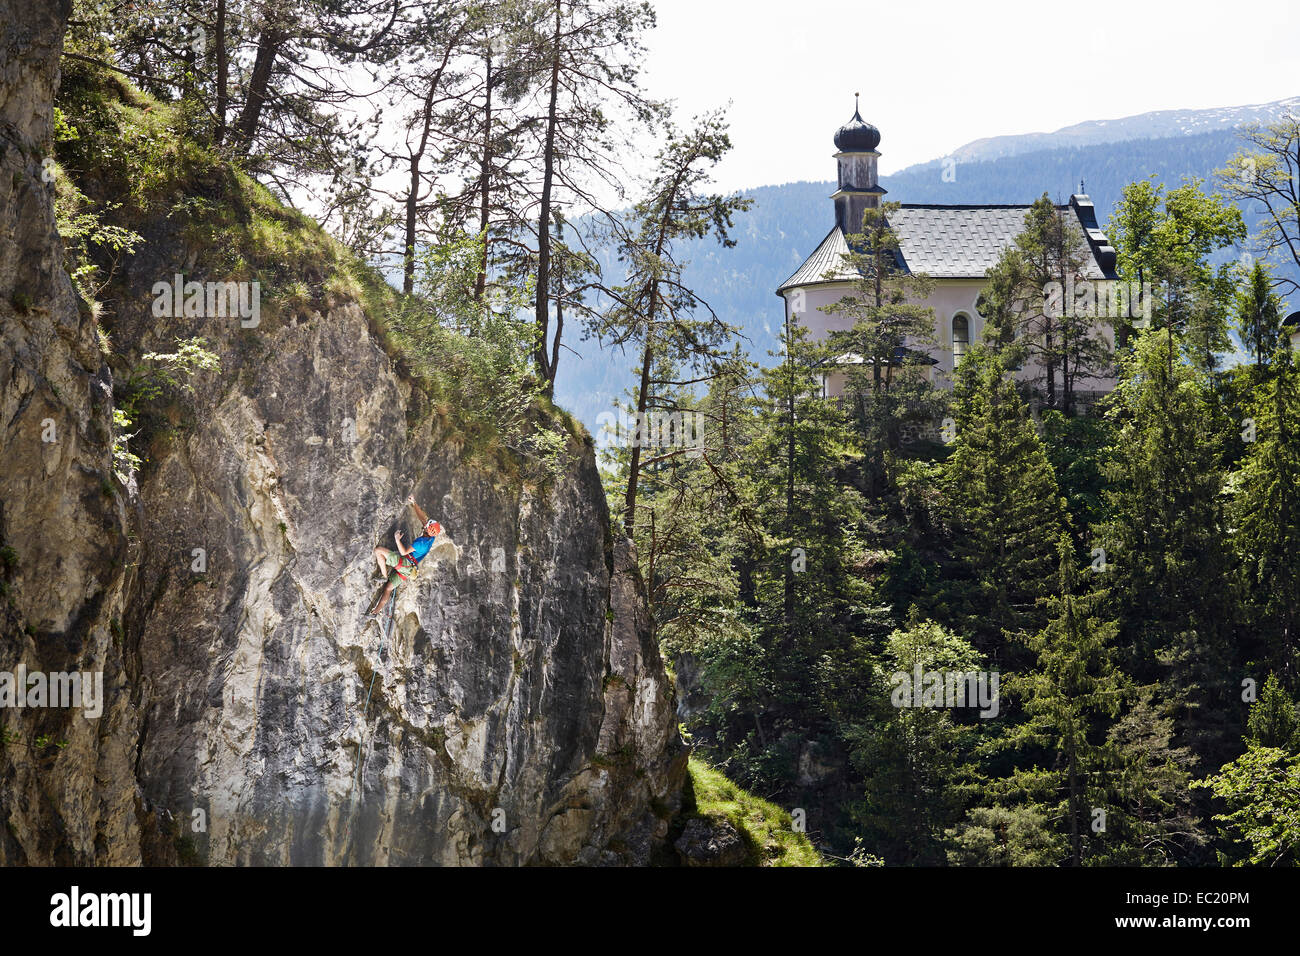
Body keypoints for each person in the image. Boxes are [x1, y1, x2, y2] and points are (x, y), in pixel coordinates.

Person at [367, 495, 443, 616]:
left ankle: (384, 575)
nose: (425, 524)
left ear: (428, 529)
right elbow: (423, 518)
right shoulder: (431, 536)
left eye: (427, 525)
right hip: (409, 569)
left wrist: (397, 540)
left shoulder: (421, 543)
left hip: (405, 563)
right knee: (388, 589)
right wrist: (414, 503)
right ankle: (376, 611)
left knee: (378, 551)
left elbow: (403, 552)